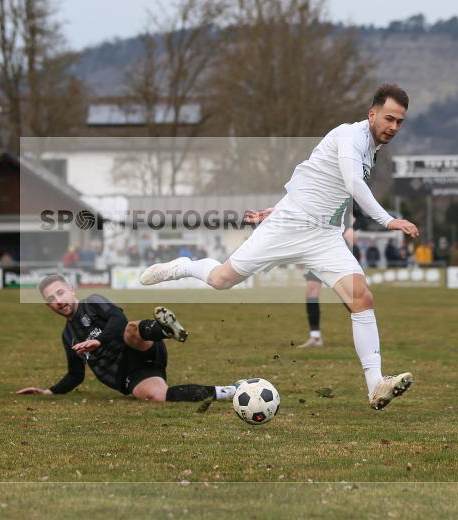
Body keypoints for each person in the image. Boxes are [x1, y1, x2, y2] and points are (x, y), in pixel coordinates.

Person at [139, 84, 417, 411]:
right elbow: (352, 182)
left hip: (323, 236)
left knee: (362, 297)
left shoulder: (372, 147)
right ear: (371, 114)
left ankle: (376, 385)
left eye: (399, 122)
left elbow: (324, 182)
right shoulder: (349, 136)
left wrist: (289, 207)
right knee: (221, 280)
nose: (393, 127)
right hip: (289, 226)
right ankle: (183, 266)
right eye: (388, 119)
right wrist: (387, 220)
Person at [17, 275, 238, 403]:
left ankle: (165, 331)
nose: (58, 300)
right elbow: (75, 375)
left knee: (130, 329)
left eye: (60, 292)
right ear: (48, 305)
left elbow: (117, 318)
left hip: (139, 347)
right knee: (157, 396)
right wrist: (49, 391)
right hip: (131, 374)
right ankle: (228, 391)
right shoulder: (68, 336)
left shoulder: (92, 303)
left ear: (71, 290)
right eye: (51, 299)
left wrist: (99, 341)